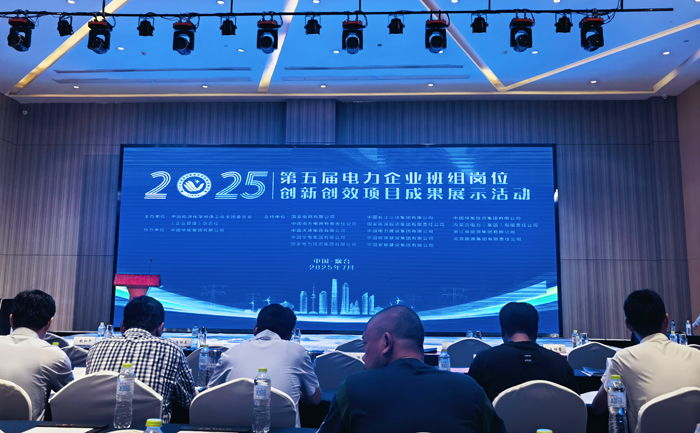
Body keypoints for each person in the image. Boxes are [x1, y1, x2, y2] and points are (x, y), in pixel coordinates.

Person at [318, 305, 506, 433]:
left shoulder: (353, 389)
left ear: (386, 342)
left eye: (365, 345)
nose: (363, 356)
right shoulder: (470, 389)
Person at [592, 289, 700, 433]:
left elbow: (598, 407)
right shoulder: (697, 355)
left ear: (629, 325)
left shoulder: (623, 358)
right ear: (666, 320)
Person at [86, 296, 196, 423]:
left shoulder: (96, 347)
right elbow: (189, 402)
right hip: (152, 429)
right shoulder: (171, 349)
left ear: (122, 327)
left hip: (98, 427)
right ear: (160, 328)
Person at [208, 304, 320, 427]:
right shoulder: (298, 352)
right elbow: (315, 399)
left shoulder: (230, 354)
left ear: (255, 329)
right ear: (290, 336)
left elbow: (209, 394)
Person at [468, 302, 578, 401]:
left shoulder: (484, 360)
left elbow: (470, 404)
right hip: (550, 418)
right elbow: (575, 405)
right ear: (536, 330)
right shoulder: (560, 363)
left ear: (503, 330)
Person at [0, 290, 74, 420]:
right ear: (49, 323)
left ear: (11, 319)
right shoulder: (55, 355)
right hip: (29, 428)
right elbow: (71, 399)